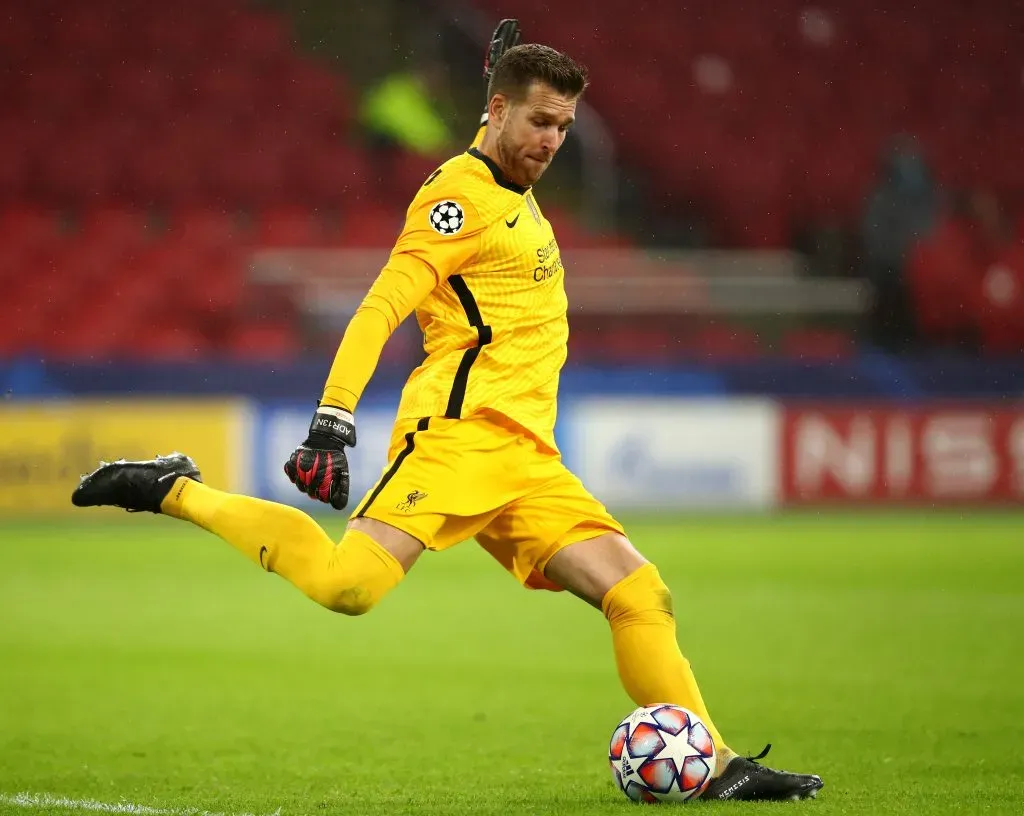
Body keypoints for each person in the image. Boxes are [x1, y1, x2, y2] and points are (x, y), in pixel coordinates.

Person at [72, 26, 823, 802]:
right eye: (540, 122)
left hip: (528, 457)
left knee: (639, 596)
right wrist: (334, 416)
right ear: (498, 111)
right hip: (457, 438)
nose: (554, 140)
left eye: (564, 126)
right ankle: (174, 488)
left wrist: (499, 99)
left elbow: (494, 158)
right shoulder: (455, 201)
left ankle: (719, 768)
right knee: (346, 587)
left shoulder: (509, 187)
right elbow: (382, 304)